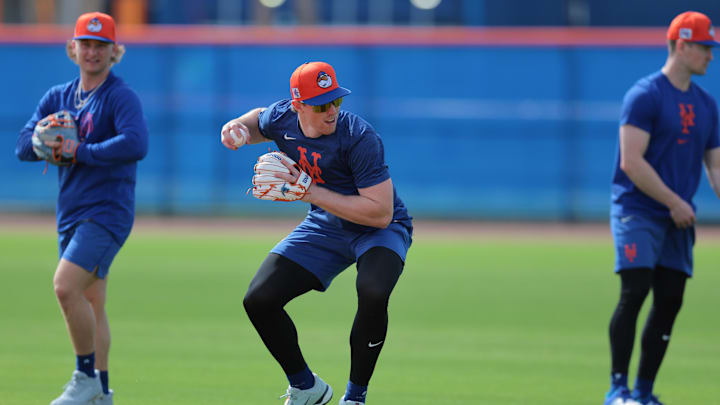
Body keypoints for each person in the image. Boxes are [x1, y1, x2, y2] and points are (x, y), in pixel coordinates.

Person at [220, 61, 413, 405]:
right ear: (298, 106)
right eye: (321, 104)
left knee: (372, 290)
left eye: (336, 100)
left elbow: (380, 213)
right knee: (259, 300)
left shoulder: (358, 136)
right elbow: (259, 118)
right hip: (326, 225)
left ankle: (354, 397)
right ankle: (306, 387)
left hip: (378, 229)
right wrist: (238, 128)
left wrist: (310, 193)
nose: (332, 111)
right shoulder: (282, 118)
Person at [15, 12, 149, 405]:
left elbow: (135, 143)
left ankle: (85, 376)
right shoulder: (58, 96)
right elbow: (23, 145)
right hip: (71, 212)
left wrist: (80, 150)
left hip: (107, 212)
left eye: (101, 45)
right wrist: (44, 139)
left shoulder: (119, 96)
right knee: (92, 302)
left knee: (64, 286)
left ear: (114, 52)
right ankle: (103, 393)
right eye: (86, 44)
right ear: (73, 48)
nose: (92, 52)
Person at [604, 11, 720, 405]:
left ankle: (645, 392)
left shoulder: (706, 104)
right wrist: (673, 201)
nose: (710, 55)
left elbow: (715, 164)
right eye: (705, 47)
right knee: (635, 290)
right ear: (682, 45)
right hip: (638, 211)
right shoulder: (645, 95)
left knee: (670, 300)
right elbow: (631, 162)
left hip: (677, 219)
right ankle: (617, 390)